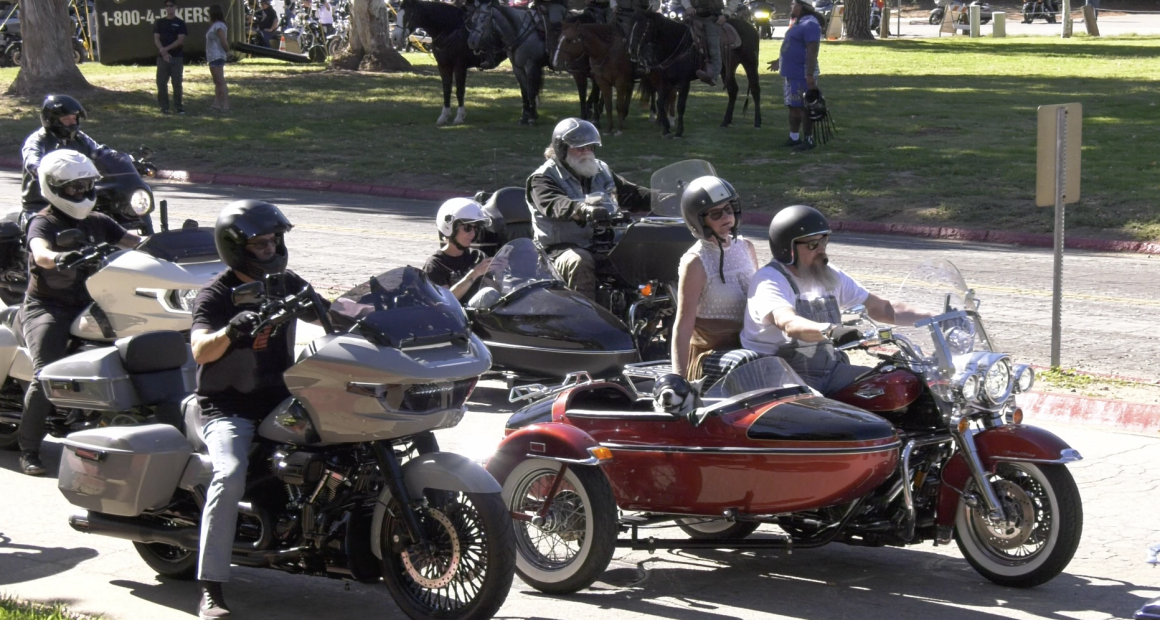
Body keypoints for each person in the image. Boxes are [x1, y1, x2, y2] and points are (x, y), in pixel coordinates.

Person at [190, 200, 317, 619]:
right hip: (227, 408)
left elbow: (334, 315)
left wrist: (377, 313)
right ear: (236, 246)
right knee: (228, 474)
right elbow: (200, 349)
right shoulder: (215, 294)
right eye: (261, 243)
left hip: (280, 402)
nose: (270, 248)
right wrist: (231, 330)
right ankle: (211, 587)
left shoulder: (286, 281)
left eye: (274, 240)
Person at [17, 151, 142, 476]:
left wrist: (167, 244)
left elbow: (134, 241)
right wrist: (57, 258)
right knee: (46, 374)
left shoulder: (98, 221)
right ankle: (29, 448)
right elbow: (40, 251)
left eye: (86, 185)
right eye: (73, 187)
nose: (81, 192)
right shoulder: (43, 221)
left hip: (94, 302)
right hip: (49, 306)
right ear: (54, 187)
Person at [741, 205, 929, 394]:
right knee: (843, 420)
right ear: (788, 248)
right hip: (780, 377)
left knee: (898, 386)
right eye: (813, 245)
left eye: (824, 241)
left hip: (828, 371)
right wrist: (831, 330)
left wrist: (938, 318)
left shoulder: (827, 274)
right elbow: (788, 322)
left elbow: (881, 308)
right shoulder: (769, 280)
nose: (822, 250)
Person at [525, 118, 650, 301]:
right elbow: (555, 204)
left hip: (604, 243)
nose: (586, 152)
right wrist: (583, 210)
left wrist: (669, 197)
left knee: (646, 248)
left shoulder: (600, 170)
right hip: (558, 249)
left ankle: (646, 310)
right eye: (579, 148)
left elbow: (632, 194)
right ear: (562, 148)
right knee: (580, 261)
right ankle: (586, 321)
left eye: (590, 147)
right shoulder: (542, 178)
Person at [671, 175, 760, 388]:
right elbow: (683, 326)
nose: (726, 217)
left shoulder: (746, 247)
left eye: (729, 209)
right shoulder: (696, 262)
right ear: (699, 220)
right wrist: (678, 382)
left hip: (750, 345)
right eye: (716, 213)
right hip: (711, 356)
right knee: (747, 361)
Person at [21, 94, 108, 214]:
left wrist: (121, 160)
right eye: (66, 119)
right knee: (40, 228)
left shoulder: (80, 138)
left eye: (74, 118)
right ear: (51, 120)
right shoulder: (38, 140)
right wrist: (38, 169)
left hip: (74, 201)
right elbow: (31, 159)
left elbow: (100, 152)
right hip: (40, 205)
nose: (72, 123)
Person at [423, 198, 500, 308]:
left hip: (483, 318)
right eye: (468, 228)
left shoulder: (478, 256)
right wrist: (474, 273)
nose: (473, 234)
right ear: (449, 226)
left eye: (476, 228)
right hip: (458, 320)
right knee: (488, 294)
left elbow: (496, 292)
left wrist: (500, 274)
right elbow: (444, 302)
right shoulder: (435, 264)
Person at [768, 0, 822, 151]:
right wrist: (780, 60)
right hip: (791, 72)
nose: (792, 7)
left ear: (802, 6)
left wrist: (810, 74)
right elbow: (791, 44)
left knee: (804, 108)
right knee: (793, 106)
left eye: (794, 4)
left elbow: (812, 51)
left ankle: (809, 139)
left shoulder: (810, 24)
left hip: (802, 73)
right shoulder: (798, 22)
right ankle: (794, 138)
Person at [154, 0, 188, 115]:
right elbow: (156, 38)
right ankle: (164, 107)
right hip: (162, 58)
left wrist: (166, 49)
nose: (169, 8)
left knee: (177, 83)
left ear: (175, 7)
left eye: (171, 6)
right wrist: (163, 52)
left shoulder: (180, 23)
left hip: (176, 57)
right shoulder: (160, 22)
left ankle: (178, 106)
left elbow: (180, 40)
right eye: (167, 6)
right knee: (161, 82)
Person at [681, 0, 726, 85]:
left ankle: (713, 76)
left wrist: (727, 14)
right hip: (693, 16)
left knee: (713, 47)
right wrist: (688, 7)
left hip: (712, 18)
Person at [206, 5, 230, 112]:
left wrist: (227, 51)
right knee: (217, 81)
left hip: (217, 55)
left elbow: (223, 41)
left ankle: (225, 103)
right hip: (212, 56)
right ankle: (217, 102)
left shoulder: (219, 26)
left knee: (220, 80)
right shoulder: (214, 25)